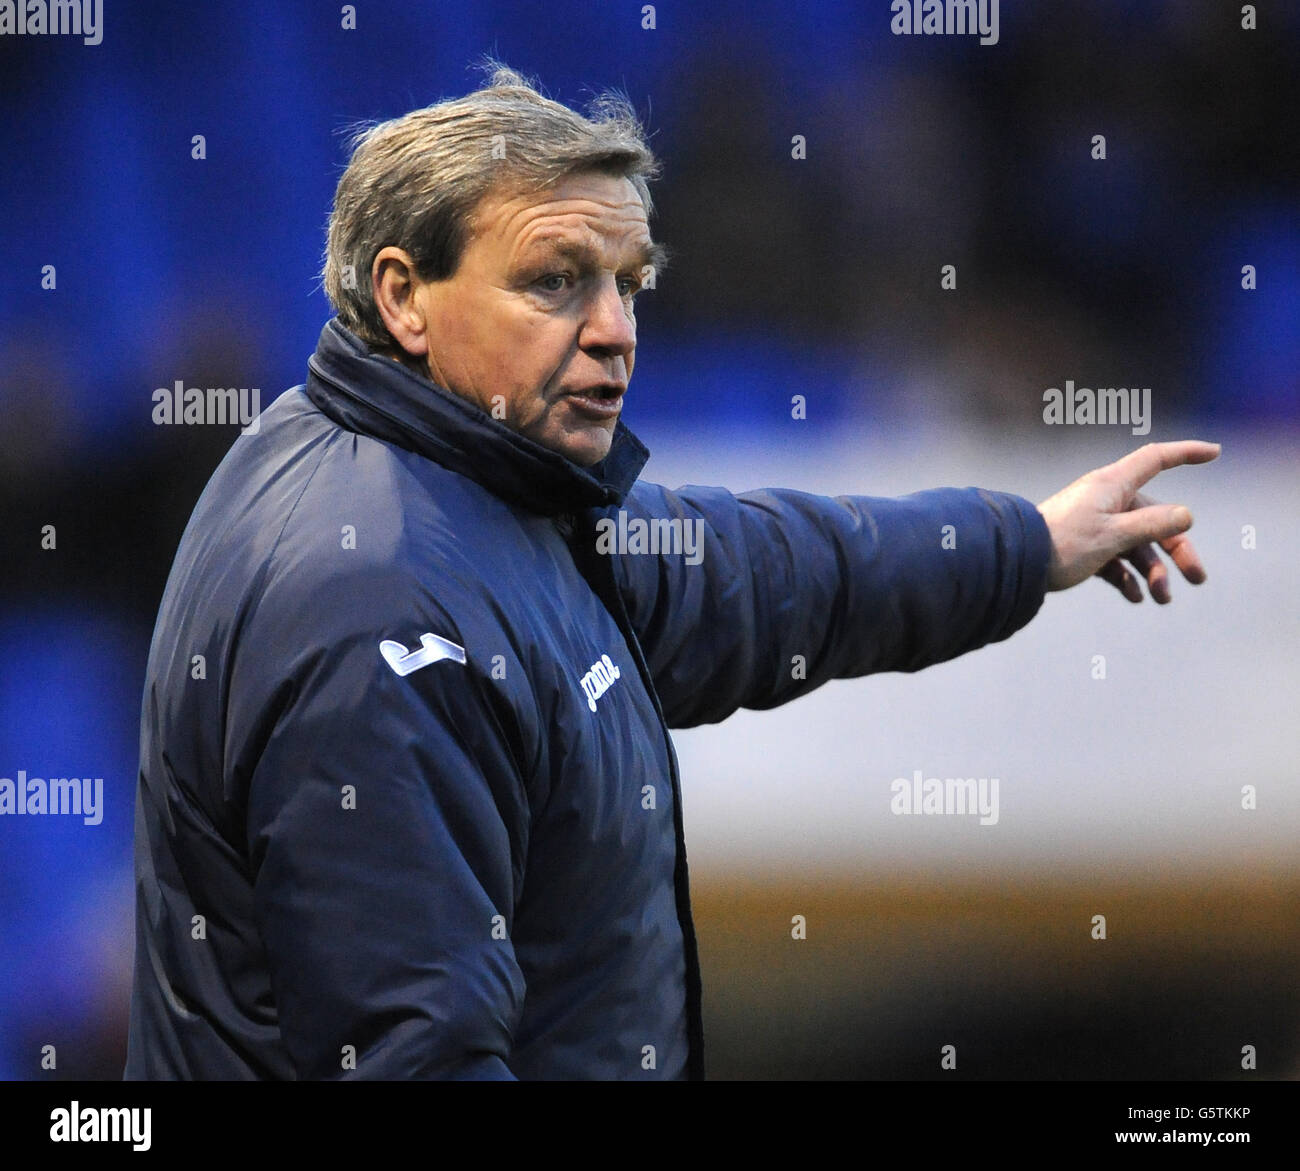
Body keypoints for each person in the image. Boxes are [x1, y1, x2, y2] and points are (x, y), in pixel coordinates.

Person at [123, 65, 1218, 1081]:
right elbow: (416, 1048)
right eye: (555, 282)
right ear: (404, 296)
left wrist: (1026, 543)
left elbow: (758, 573)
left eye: (627, 285)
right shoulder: (384, 607)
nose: (613, 332)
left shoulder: (455, 480)